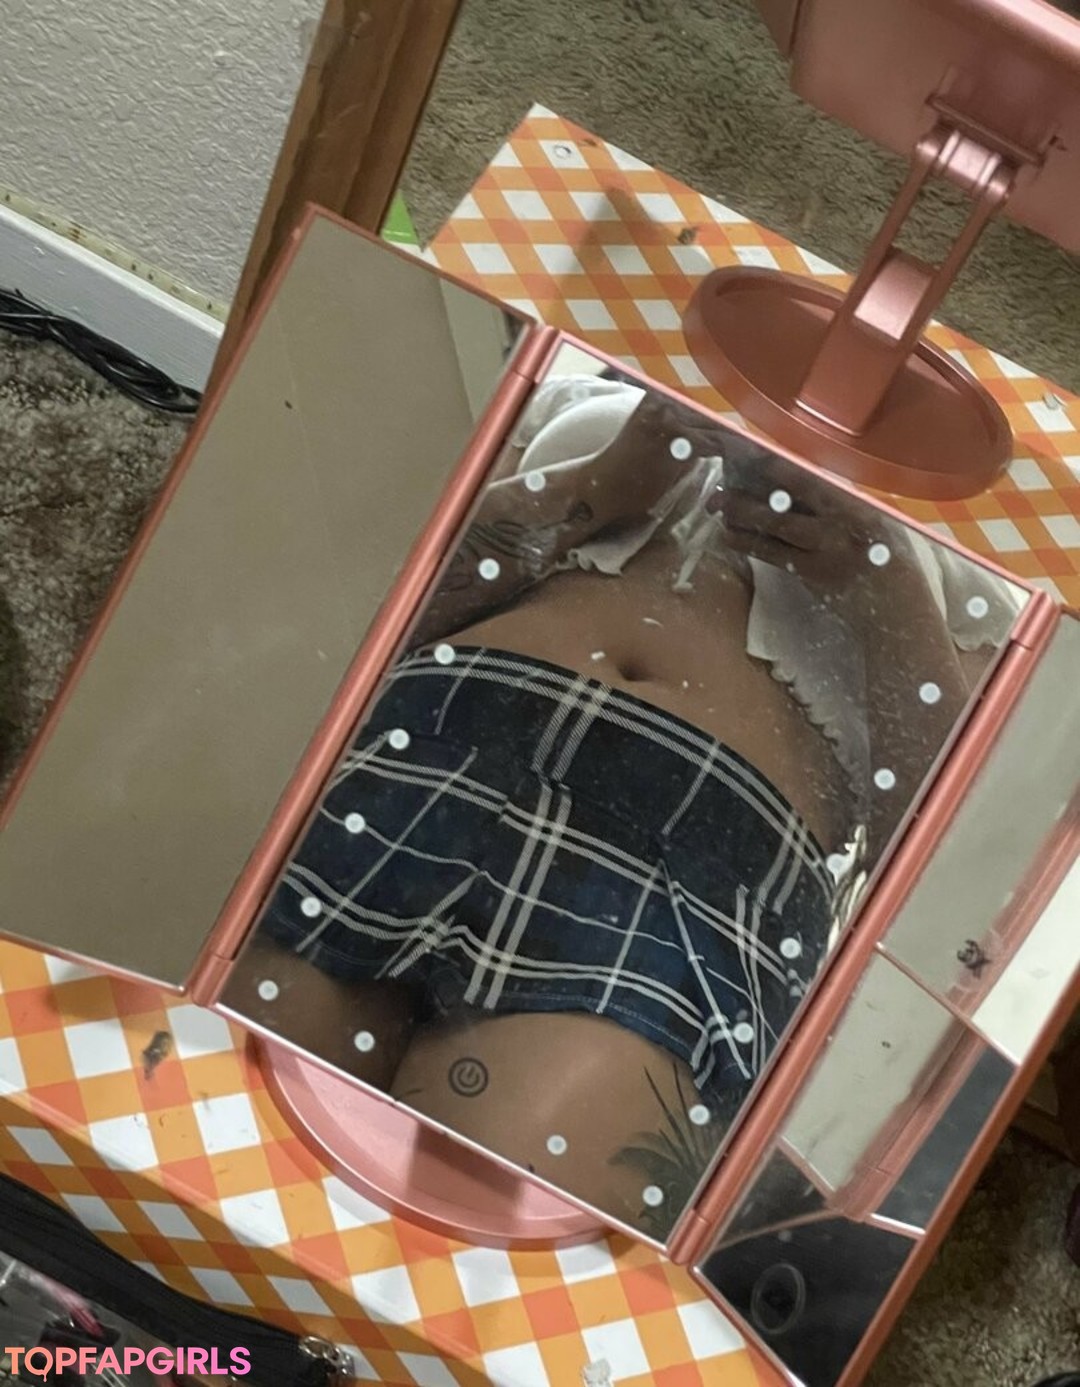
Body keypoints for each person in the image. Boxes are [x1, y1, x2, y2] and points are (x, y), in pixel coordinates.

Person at [231, 374, 1016, 1234]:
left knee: (476, 1241)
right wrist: (602, 480)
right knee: (232, 1138)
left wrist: (881, 585)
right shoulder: (577, 397)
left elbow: (945, 855)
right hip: (438, 741)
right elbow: (361, 614)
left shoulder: (960, 556)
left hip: (706, 868)